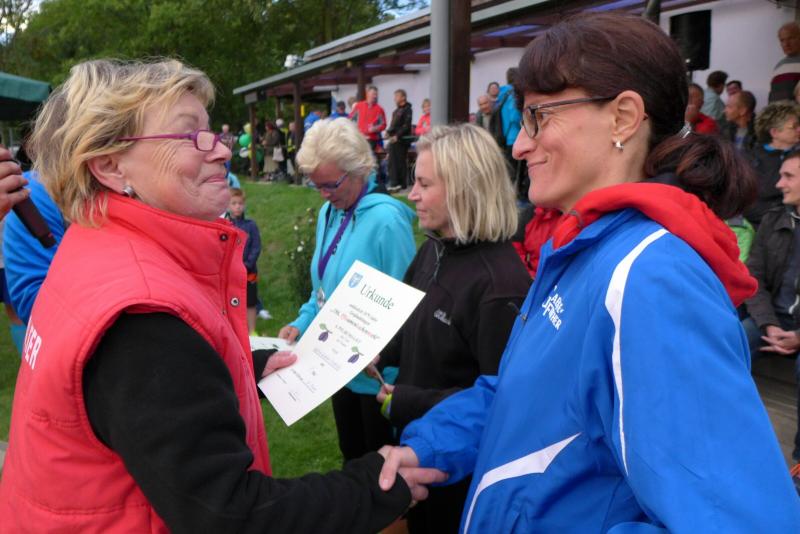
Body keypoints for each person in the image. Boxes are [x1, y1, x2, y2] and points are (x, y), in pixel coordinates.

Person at [378, 14, 800, 532]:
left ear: (623, 118)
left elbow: (737, 520)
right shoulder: (585, 247)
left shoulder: (651, 279)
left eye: (538, 116)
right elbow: (529, 398)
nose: (520, 145)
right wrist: (434, 443)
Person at [0, 59, 445, 532]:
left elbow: (141, 397)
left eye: (211, 132)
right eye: (189, 135)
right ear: (110, 165)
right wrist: (372, 485)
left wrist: (237, 367)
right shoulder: (141, 315)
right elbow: (229, 515)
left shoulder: (93, 247)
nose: (220, 150)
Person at [376, 124, 531, 533]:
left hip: (460, 474)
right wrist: (379, 351)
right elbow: (408, 319)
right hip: (420, 449)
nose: (412, 195)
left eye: (424, 184)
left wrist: (408, 400)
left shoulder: (500, 286)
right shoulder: (434, 248)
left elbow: (502, 402)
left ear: (464, 189)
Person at [277, 117, 417, 463]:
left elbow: (408, 305)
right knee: (351, 460)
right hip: (336, 369)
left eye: (330, 184)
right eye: (316, 186)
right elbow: (323, 288)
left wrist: (385, 358)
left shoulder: (387, 221)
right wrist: (302, 322)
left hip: (377, 378)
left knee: (380, 471)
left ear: (358, 169)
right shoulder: (329, 212)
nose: (324, 194)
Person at [742, 150, 800, 493]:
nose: (778, 184)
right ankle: (714, 428)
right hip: (772, 320)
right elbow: (754, 279)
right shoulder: (773, 220)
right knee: (729, 340)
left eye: (788, 176)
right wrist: (768, 324)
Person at [745, 100, 800, 227]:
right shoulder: (752, 159)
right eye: (794, 126)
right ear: (774, 132)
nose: (799, 129)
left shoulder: (796, 155)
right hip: (761, 225)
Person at [227, 188, 262, 334]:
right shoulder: (225, 226)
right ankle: (234, 330)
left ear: (244, 205)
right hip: (230, 272)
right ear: (228, 205)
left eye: (240, 204)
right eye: (234, 203)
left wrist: (247, 264)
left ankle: (252, 331)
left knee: (250, 301)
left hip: (249, 271)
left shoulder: (251, 225)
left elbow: (256, 247)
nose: (237, 207)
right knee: (232, 301)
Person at [386, 89, 413, 192]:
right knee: (392, 161)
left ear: (403, 97)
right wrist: (388, 132)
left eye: (397, 96)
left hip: (401, 140)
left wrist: (397, 136)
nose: (395, 99)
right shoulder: (396, 111)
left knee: (400, 161)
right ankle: (394, 182)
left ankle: (401, 184)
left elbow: (406, 126)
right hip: (393, 140)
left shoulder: (407, 109)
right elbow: (392, 125)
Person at [349, 86, 386, 152]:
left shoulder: (379, 109)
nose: (375, 96)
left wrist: (375, 128)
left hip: (371, 139)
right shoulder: (359, 106)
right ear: (367, 93)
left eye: (376, 94)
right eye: (373, 94)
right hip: (359, 138)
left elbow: (383, 124)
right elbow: (350, 119)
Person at [770, 21, 800, 103]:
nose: (786, 44)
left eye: (790, 38)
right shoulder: (778, 66)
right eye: (782, 40)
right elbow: (773, 96)